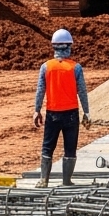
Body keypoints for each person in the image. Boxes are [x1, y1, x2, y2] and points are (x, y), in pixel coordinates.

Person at [33, 29, 92, 186]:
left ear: (53, 47)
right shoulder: (76, 68)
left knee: (47, 147)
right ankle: (66, 181)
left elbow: (40, 90)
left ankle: (44, 180)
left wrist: (36, 110)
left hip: (52, 113)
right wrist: (86, 112)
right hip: (71, 114)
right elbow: (82, 92)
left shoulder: (46, 67)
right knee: (70, 148)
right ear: (69, 46)